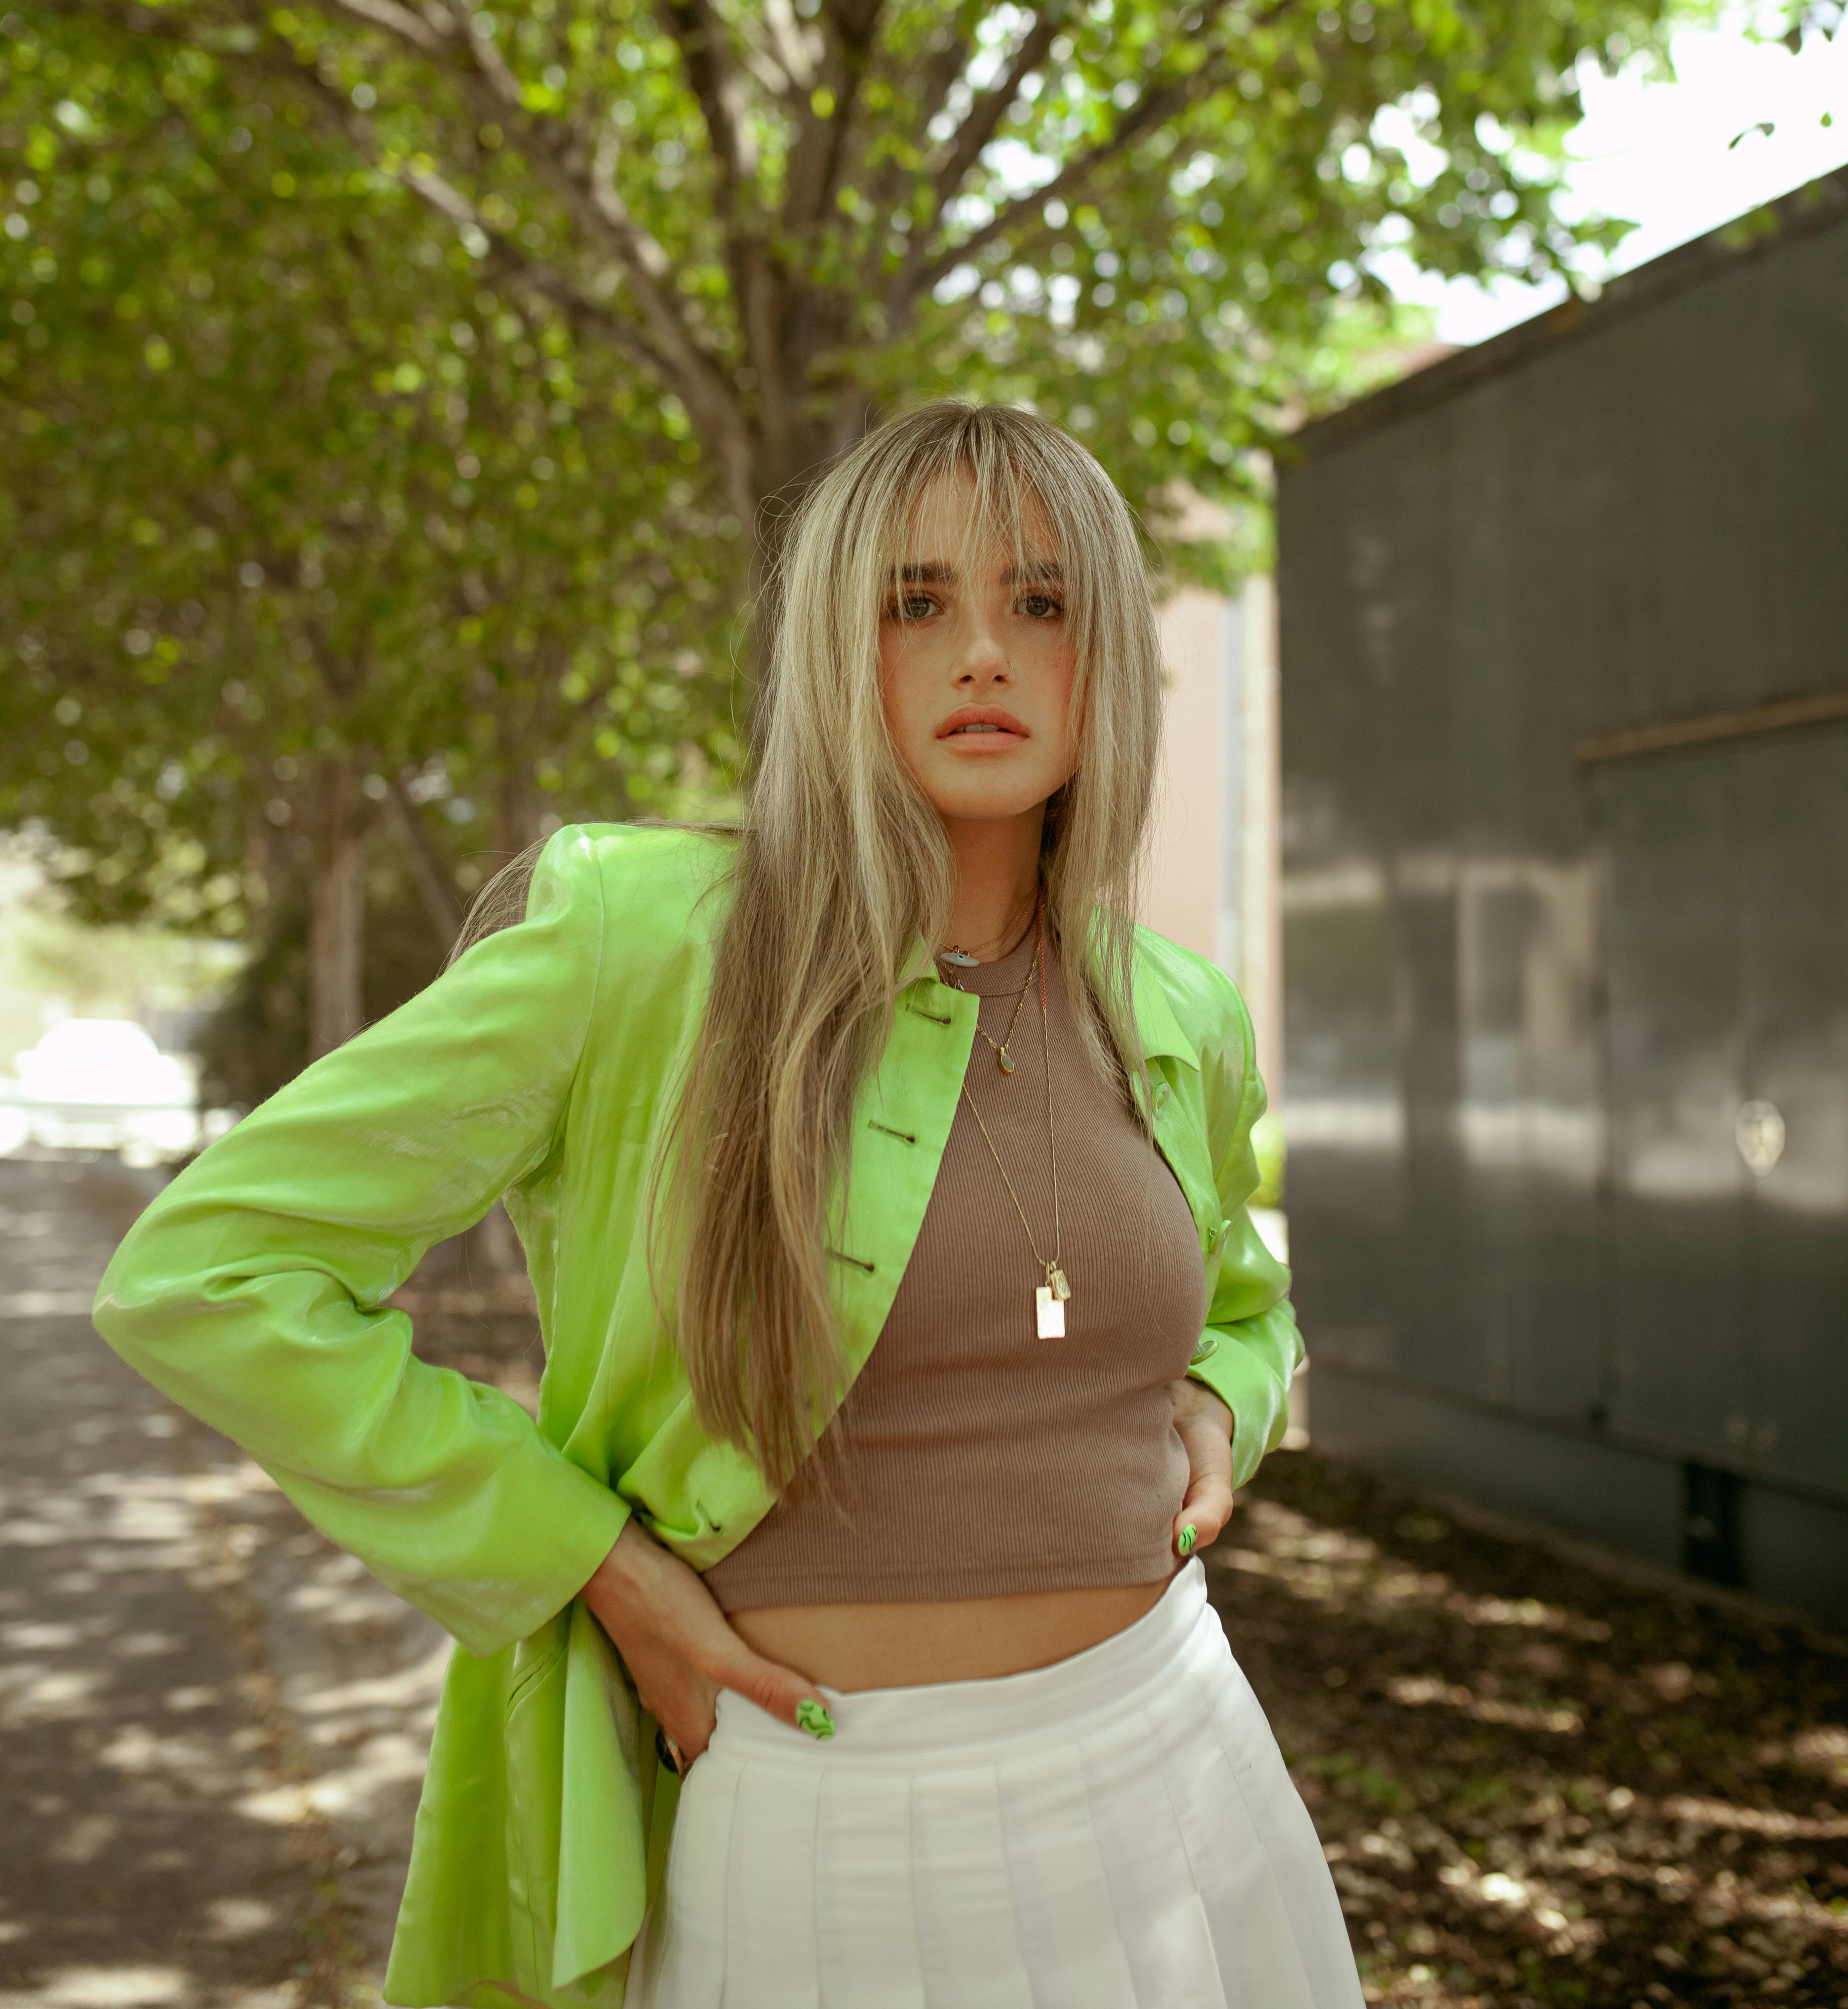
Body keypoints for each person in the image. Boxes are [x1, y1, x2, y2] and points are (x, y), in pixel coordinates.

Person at [95, 403, 1362, 2009]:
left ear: (1104, 652)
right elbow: (208, 1273)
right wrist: (593, 1563)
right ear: (844, 649)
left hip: (1186, 1775)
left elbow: (1246, 1300)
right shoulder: (649, 940)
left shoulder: (1177, 1007)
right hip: (822, 1816)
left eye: (1040, 602)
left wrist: (1218, 1396)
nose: (984, 652)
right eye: (918, 604)